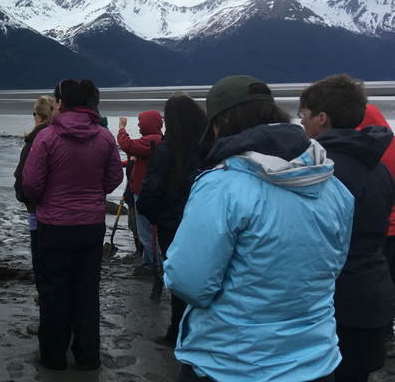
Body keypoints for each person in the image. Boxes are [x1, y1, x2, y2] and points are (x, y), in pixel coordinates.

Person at [165, 75, 354, 382]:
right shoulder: (333, 185)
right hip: (316, 360)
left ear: (222, 125)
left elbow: (189, 282)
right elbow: (333, 266)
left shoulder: (222, 186)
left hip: (233, 363)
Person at [22, 78, 123, 371]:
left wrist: (47, 200)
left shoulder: (47, 137)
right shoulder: (104, 137)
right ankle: (88, 357)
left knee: (54, 291)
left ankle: (53, 357)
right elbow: (114, 177)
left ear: (60, 103)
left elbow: (31, 183)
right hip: (91, 225)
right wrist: (92, 192)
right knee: (87, 291)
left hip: (54, 225)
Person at [299, 74, 395, 382]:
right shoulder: (376, 166)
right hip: (372, 298)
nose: (301, 121)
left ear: (321, 118)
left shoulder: (321, 171)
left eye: (304, 114)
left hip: (336, 305)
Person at [135, 92, 209, 345]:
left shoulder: (167, 150)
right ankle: (196, 327)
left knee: (178, 275)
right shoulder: (209, 148)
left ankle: (177, 331)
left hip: (172, 223)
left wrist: (149, 211)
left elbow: (152, 187)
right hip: (203, 220)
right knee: (203, 273)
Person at [360, 104, 395, 354]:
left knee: (377, 281)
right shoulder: (391, 145)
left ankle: (382, 333)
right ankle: (389, 334)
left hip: (380, 227)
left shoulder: (365, 152)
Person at [13, 95, 55, 295]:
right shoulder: (62, 138)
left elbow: (23, 178)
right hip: (67, 213)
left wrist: (28, 199)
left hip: (39, 211)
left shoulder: (35, 142)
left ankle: (47, 304)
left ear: (39, 116)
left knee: (41, 261)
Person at [116, 110, 163, 274]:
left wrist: (121, 129)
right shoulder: (154, 140)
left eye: (140, 122)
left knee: (146, 232)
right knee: (148, 230)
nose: (138, 125)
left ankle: (153, 265)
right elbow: (133, 152)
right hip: (142, 192)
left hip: (144, 193)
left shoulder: (152, 140)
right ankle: (149, 261)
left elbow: (128, 145)